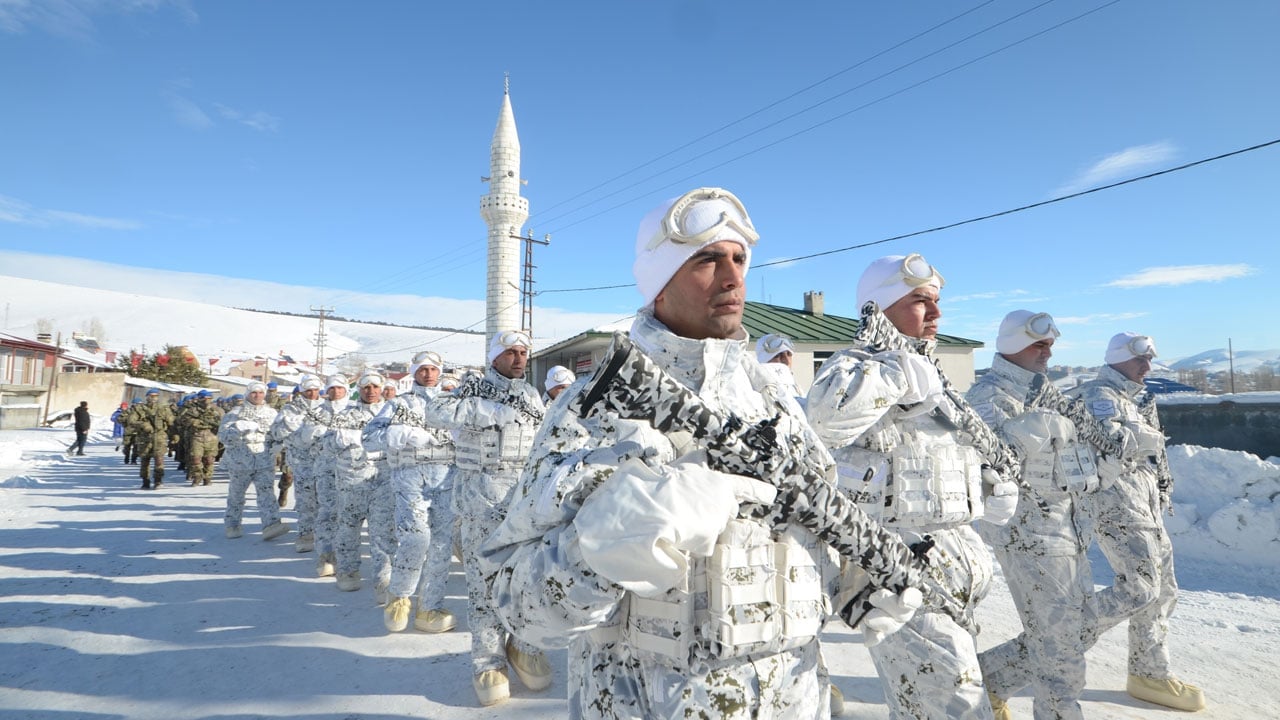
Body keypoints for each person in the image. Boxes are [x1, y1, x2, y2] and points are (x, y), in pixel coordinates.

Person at [482, 188, 936, 719]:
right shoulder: (593, 408)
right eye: (706, 260)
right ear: (658, 284)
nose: (733, 277)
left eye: (739, 258)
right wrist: (600, 553)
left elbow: (814, 521)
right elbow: (513, 603)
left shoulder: (775, 399)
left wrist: (860, 578)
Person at [805, 253, 1020, 720]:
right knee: (958, 708)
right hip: (900, 575)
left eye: (937, 301)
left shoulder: (935, 378)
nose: (937, 314)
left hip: (956, 573)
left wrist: (987, 488)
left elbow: (932, 464)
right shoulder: (855, 367)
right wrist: (892, 372)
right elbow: (821, 421)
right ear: (879, 310)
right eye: (921, 301)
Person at [968, 311, 1114, 720]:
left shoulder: (1048, 394)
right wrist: (1019, 435)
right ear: (1012, 344)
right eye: (1038, 344)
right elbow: (980, 468)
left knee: (1079, 629)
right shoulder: (989, 396)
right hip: (1027, 534)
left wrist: (1104, 467)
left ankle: (990, 679)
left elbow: (1070, 455)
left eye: (1050, 345)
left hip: (1068, 529)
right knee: (1062, 652)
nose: (1047, 352)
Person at [1069, 332, 1206, 712]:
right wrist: (1144, 436)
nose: (1148, 367)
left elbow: (1152, 451)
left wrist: (1162, 485)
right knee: (1138, 588)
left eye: (1150, 359)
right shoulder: (1096, 397)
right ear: (1117, 358)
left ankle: (1149, 672)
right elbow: (1114, 444)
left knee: (1163, 590)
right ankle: (1047, 648)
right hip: (1115, 504)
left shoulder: (1137, 398)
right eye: (1140, 359)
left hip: (1144, 504)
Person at [421, 329, 550, 707]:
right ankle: (488, 661)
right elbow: (436, 411)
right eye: (510, 352)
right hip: (482, 501)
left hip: (525, 500)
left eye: (523, 352)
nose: (519, 358)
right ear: (494, 356)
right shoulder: (475, 388)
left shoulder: (530, 394)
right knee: (485, 585)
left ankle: (523, 646)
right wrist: (484, 410)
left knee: (529, 577)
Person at [364, 350, 459, 634]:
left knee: (442, 546)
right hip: (410, 480)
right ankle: (400, 595)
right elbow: (368, 438)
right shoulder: (398, 405)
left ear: (440, 372)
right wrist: (399, 435)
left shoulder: (452, 404)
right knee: (417, 539)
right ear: (414, 372)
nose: (428, 374)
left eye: (433, 369)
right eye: (422, 369)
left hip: (446, 479)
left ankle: (429, 608)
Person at [326, 371, 395, 593]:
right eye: (366, 387)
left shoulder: (392, 414)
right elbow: (329, 444)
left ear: (382, 388)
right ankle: (347, 572)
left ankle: (383, 580)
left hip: (383, 482)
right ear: (359, 390)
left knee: (383, 532)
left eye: (375, 386)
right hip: (351, 482)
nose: (371, 391)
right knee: (348, 529)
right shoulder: (345, 415)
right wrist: (347, 438)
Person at [217, 380, 290, 541]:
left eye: (261, 392)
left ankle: (271, 525)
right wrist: (237, 429)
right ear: (247, 394)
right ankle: (233, 524)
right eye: (253, 393)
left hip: (264, 461)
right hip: (240, 462)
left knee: (267, 495)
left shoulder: (272, 414)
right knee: (236, 495)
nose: (257, 396)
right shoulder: (235, 414)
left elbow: (279, 434)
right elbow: (223, 437)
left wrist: (279, 444)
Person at [267, 375, 327, 555]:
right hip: (302, 463)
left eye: (316, 390)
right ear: (301, 391)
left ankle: (324, 536)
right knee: (305, 501)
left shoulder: (327, 408)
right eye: (309, 390)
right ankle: (306, 535)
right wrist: (291, 428)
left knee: (326, 501)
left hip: (325, 462)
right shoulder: (290, 409)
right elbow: (276, 432)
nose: (312, 393)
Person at [132, 389, 175, 490]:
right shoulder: (140, 409)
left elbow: (171, 423)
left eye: (155, 396)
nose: (153, 398)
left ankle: (158, 481)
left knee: (159, 460)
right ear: (147, 397)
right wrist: (143, 425)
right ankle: (145, 481)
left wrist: (174, 435)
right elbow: (131, 421)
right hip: (145, 438)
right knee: (145, 461)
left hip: (159, 437)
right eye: (151, 396)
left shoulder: (163, 409)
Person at [179, 390, 224, 486]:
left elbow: (223, 423)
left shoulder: (218, 410)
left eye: (208, 398)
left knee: (209, 460)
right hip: (197, 437)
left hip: (212, 437)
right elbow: (182, 420)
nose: (206, 401)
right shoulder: (192, 410)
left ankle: (207, 478)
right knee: (195, 458)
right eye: (204, 398)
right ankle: (197, 476)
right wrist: (194, 422)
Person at [756, 332, 802, 401]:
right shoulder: (756, 395)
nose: (787, 361)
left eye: (789, 354)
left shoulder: (798, 390)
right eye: (778, 356)